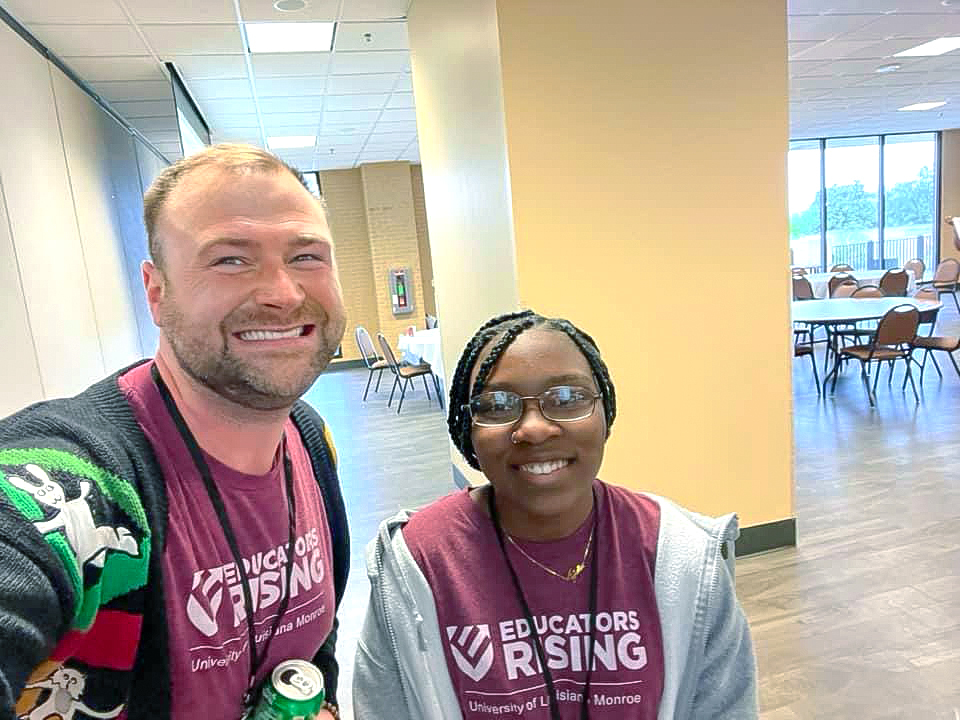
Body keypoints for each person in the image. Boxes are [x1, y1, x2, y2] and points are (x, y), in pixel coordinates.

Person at [0, 144, 349, 720]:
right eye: (230, 259)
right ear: (156, 293)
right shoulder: (77, 486)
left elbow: (315, 648)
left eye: (307, 255)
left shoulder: (309, 441)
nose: (284, 292)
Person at [353, 310, 757, 719]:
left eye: (566, 398)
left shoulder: (682, 557)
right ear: (467, 428)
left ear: (606, 415)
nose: (535, 429)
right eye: (496, 405)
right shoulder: (415, 565)